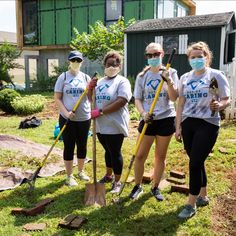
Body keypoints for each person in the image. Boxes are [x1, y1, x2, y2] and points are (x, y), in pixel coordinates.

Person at [175, 41, 231, 219]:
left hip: (208, 123)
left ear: (207, 57)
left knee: (194, 163)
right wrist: (178, 126)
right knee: (196, 160)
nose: (197, 59)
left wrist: (219, 105)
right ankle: (203, 196)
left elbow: (226, 99)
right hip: (188, 123)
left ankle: (190, 204)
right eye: (193, 57)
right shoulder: (185, 78)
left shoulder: (215, 75)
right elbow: (180, 103)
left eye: (201, 56)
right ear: (188, 59)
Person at [129, 42, 179, 201]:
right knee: (139, 156)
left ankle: (155, 187)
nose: (152, 57)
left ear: (162, 54)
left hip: (166, 118)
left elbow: (173, 97)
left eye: (156, 54)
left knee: (160, 157)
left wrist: (169, 81)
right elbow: (137, 99)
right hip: (148, 119)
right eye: (149, 55)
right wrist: (143, 113)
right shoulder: (142, 76)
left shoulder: (171, 72)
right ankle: (137, 186)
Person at [91, 51, 132, 193]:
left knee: (115, 152)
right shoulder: (100, 82)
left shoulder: (122, 81)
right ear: (104, 65)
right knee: (107, 151)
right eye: (109, 65)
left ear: (119, 65)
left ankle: (118, 181)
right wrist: (90, 89)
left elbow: (122, 101)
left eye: (115, 64)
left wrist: (101, 111)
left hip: (115, 124)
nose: (111, 67)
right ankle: (108, 175)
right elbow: (92, 101)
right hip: (101, 125)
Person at [54, 50, 97, 187]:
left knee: (82, 145)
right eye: (73, 60)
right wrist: (66, 113)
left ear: (82, 62)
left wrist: (92, 90)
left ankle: (80, 171)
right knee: (69, 146)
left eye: (78, 60)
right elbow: (57, 98)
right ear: (69, 61)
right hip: (67, 119)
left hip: (84, 118)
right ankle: (69, 175)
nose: (76, 63)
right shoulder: (63, 77)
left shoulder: (85, 77)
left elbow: (90, 99)